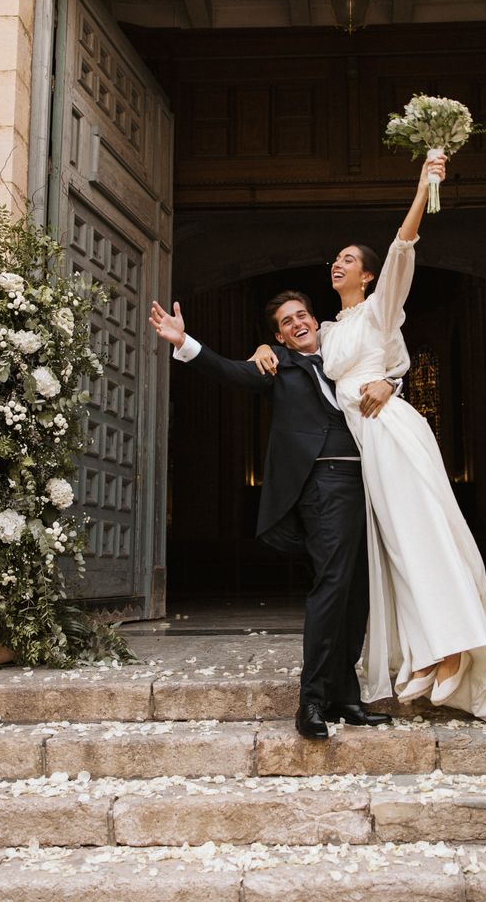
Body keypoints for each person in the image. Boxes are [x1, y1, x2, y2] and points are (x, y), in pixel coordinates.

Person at [252, 158, 486, 723]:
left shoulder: (380, 310)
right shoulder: (327, 329)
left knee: (420, 537)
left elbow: (403, 244)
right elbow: (295, 350)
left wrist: (427, 183)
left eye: (349, 260)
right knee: (392, 552)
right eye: (337, 259)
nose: (338, 263)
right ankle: (426, 650)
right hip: (359, 448)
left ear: (369, 277)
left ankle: (453, 650)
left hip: (390, 432)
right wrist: (263, 351)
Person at [149, 290, 400, 739]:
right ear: (279, 336)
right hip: (323, 484)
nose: (297, 323)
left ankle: (345, 695)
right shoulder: (277, 365)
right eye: (286, 322)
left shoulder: (346, 352)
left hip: (369, 481)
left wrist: (394, 382)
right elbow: (230, 371)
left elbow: (393, 360)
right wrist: (184, 343)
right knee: (332, 584)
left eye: (301, 315)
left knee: (358, 589)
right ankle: (312, 701)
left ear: (316, 320)